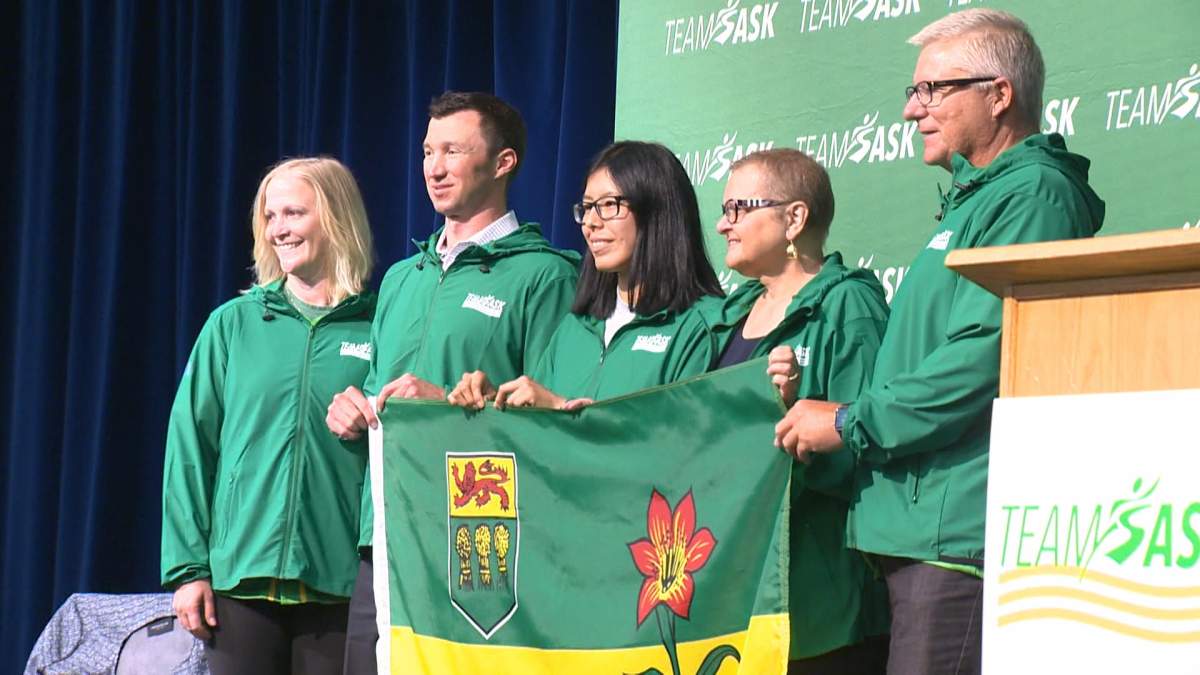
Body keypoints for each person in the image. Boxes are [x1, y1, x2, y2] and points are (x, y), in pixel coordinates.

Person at [773, 9, 1105, 674]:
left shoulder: (1034, 193)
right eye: (913, 91)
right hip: (914, 534)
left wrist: (847, 420)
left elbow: (982, 358)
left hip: (957, 539)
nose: (911, 109)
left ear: (999, 94)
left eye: (932, 90)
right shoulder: (973, 201)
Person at [323, 91, 578, 673]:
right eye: (427, 152)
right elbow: (375, 387)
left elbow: (554, 425)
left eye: (453, 151)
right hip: (387, 534)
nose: (434, 169)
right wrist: (353, 410)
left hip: (476, 545)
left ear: (503, 162)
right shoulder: (401, 279)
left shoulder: (544, 275)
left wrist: (448, 406)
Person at [161, 156, 377, 674]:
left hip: (340, 584)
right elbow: (190, 448)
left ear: (337, 217)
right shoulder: (232, 325)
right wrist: (189, 570)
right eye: (270, 216)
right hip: (241, 585)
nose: (279, 229)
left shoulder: (379, 326)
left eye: (294, 213)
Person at [709, 148, 890, 674]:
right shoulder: (726, 316)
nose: (723, 224)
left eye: (739, 209)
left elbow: (871, 447)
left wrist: (790, 418)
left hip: (818, 611)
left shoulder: (848, 306)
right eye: (723, 210)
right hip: (735, 601)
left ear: (794, 218)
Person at [446, 141, 724, 411]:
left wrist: (562, 410)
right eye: (588, 207)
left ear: (657, 211)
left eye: (609, 205)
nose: (590, 222)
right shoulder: (576, 326)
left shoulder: (702, 327)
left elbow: (679, 438)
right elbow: (537, 431)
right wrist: (497, 403)